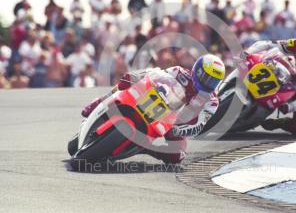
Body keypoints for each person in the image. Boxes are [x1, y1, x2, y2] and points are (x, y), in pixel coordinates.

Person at [81, 54, 225, 164]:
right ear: (198, 70)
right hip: (158, 100)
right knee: (125, 83)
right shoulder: (179, 71)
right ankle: (100, 101)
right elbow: (155, 73)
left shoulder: (212, 101)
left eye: (213, 81)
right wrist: (136, 76)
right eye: (206, 77)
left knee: (177, 156)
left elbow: (199, 124)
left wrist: (180, 129)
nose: (208, 83)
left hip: (176, 122)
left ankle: (146, 149)